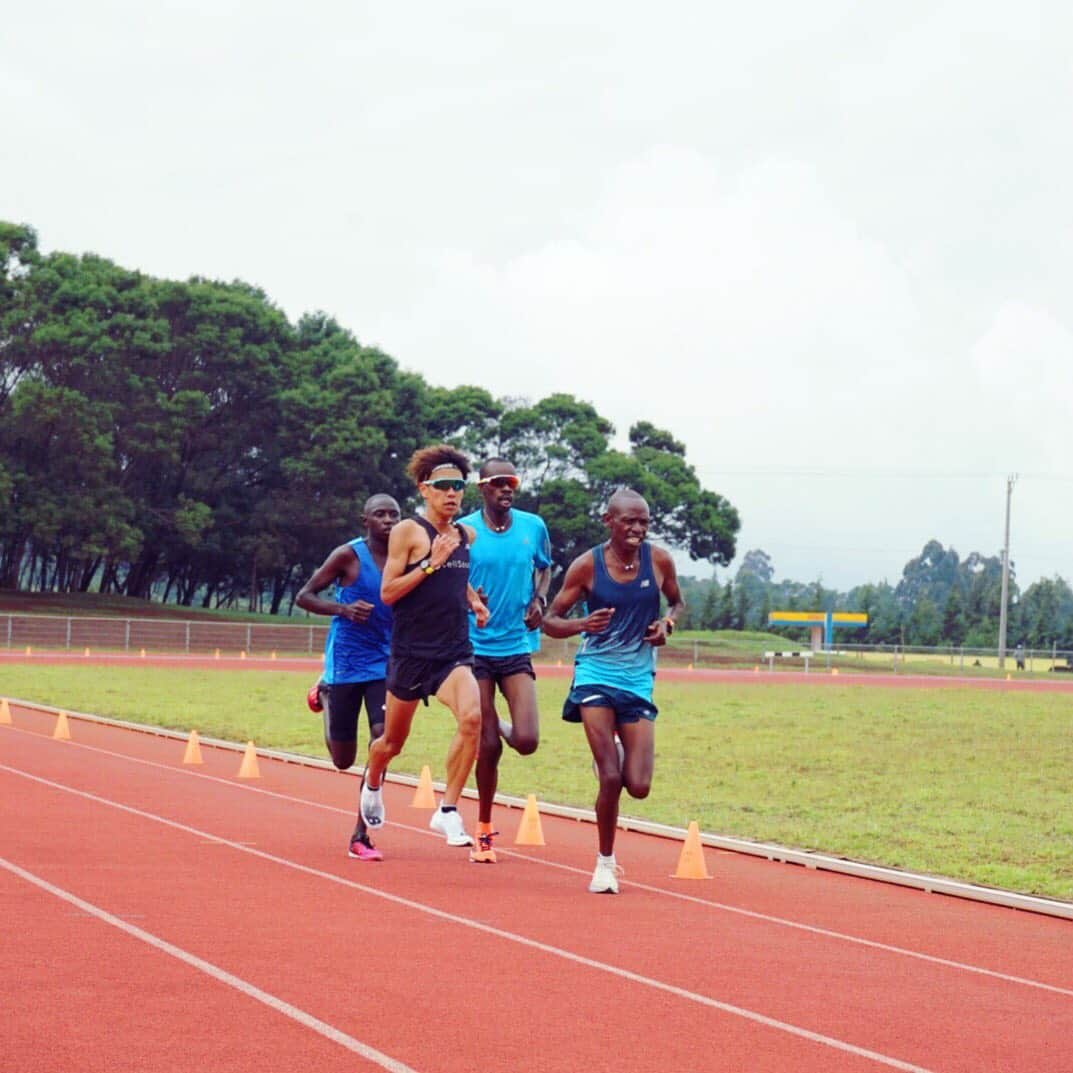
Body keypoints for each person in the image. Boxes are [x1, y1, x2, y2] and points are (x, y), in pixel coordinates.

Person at [542, 488, 684, 894]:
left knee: (637, 785)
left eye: (644, 521)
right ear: (609, 521)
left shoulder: (658, 561)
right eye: (629, 521)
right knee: (609, 776)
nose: (638, 529)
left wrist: (667, 625)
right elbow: (550, 620)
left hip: (638, 679)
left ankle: (618, 756)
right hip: (595, 675)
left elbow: (676, 603)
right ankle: (605, 863)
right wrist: (580, 626)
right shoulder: (587, 566)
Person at [353, 444, 490, 856]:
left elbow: (453, 578)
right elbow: (389, 592)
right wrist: (430, 562)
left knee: (472, 718)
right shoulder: (408, 532)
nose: (452, 494)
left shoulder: (467, 534)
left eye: (459, 487)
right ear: (424, 490)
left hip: (453, 651)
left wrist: (474, 602)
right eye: (444, 486)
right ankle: (374, 779)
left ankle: (447, 808)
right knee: (391, 743)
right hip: (411, 653)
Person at [295, 494, 401, 861]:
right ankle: (323, 695)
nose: (388, 520)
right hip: (345, 662)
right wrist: (343, 608)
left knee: (382, 736)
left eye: (394, 514)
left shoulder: (408, 556)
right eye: (380, 515)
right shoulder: (348, 556)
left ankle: (361, 834)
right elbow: (304, 596)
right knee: (342, 759)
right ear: (365, 521)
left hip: (385, 662)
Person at [458, 458, 552, 863]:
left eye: (511, 481)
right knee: (489, 746)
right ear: (482, 488)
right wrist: (471, 597)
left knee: (528, 740)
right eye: (498, 482)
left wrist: (539, 599)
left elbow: (545, 570)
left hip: (516, 645)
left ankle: (497, 721)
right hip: (473, 648)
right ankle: (483, 830)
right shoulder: (464, 530)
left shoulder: (533, 527)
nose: (507, 488)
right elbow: (447, 578)